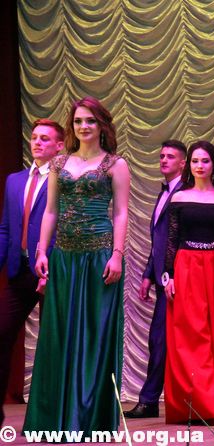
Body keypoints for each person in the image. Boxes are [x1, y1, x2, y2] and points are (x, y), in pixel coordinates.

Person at [24, 97, 130, 434]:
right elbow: (51, 211)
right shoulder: (59, 163)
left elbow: (121, 213)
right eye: (78, 121)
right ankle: (56, 418)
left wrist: (117, 254)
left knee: (95, 335)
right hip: (64, 257)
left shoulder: (115, 164)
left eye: (90, 121)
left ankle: (89, 418)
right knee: (59, 334)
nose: (83, 126)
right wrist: (42, 251)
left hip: (100, 257)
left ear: (102, 125)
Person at [162, 140, 214, 423]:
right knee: (189, 336)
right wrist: (168, 275)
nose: (200, 166)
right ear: (189, 165)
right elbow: (171, 240)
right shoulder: (179, 198)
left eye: (205, 161)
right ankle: (191, 404)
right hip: (186, 267)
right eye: (195, 161)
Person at [0, 119, 63, 426]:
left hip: (52, 272)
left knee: (55, 342)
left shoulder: (64, 179)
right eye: (35, 137)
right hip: (19, 270)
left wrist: (51, 264)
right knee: (1, 333)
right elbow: (5, 228)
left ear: (59, 146)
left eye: (45, 139)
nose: (37, 142)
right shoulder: (14, 180)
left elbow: (64, 227)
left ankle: (55, 414)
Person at [124, 140, 187, 418]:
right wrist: (148, 275)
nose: (163, 160)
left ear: (183, 163)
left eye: (170, 156)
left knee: (162, 340)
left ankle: (151, 401)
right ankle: (151, 401)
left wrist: (171, 274)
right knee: (158, 339)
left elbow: (180, 240)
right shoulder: (164, 193)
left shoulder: (186, 194)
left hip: (180, 279)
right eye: (161, 155)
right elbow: (158, 241)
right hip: (163, 279)